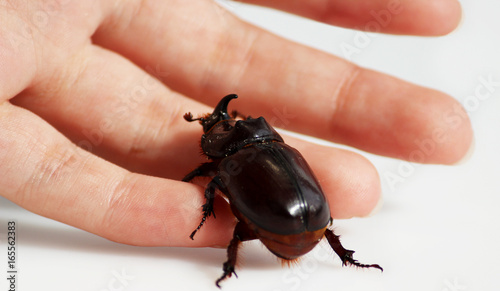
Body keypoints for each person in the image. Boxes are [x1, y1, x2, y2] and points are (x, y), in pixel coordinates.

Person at [0, 0, 472, 248]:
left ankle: (234, 264)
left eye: (221, 126)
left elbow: (209, 183)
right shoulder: (279, 151)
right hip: (303, 224)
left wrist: (200, 191)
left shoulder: (227, 166)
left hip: (288, 227)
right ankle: (341, 254)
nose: (220, 126)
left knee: (230, 216)